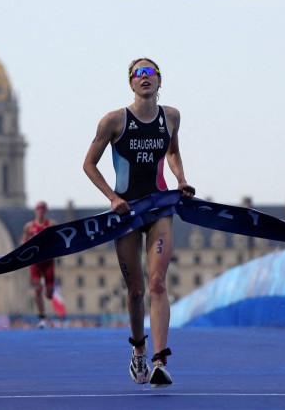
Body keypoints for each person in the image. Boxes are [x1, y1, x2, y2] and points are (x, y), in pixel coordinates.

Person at [83, 58, 195, 388]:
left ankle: (161, 360)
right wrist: (112, 198)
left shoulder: (171, 117)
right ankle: (139, 350)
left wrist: (181, 179)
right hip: (127, 213)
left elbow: (172, 152)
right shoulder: (114, 121)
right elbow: (89, 164)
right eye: (138, 74)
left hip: (160, 208)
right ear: (130, 84)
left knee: (158, 282)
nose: (144, 78)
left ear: (160, 81)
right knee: (136, 291)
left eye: (150, 73)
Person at [20, 201, 57, 328]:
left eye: (42, 210)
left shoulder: (51, 224)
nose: (40, 212)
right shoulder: (29, 226)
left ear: (45, 211)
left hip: (48, 261)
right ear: (36, 211)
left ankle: (48, 292)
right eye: (38, 210)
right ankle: (42, 317)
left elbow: (57, 240)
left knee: (49, 294)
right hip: (35, 262)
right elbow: (23, 242)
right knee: (37, 290)